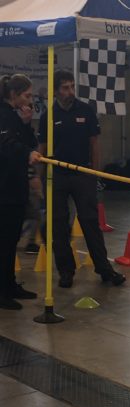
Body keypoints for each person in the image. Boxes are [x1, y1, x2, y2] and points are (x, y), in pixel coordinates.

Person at [38, 70, 125, 288]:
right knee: (58, 225)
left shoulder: (86, 110)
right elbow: (42, 148)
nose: (70, 91)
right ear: (56, 91)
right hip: (57, 175)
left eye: (72, 86)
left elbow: (94, 144)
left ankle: (104, 269)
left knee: (89, 222)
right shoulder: (49, 115)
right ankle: (66, 271)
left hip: (82, 174)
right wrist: (40, 179)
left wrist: (95, 174)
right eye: (65, 87)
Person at [0, 74, 41, 310]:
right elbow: (7, 145)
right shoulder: (3, 115)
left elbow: (27, 142)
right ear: (13, 94)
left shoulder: (14, 116)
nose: (29, 99)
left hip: (15, 187)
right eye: (26, 95)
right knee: (5, 242)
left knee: (12, 239)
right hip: (4, 190)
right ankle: (2, 291)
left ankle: (10, 284)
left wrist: (26, 124)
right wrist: (26, 154)